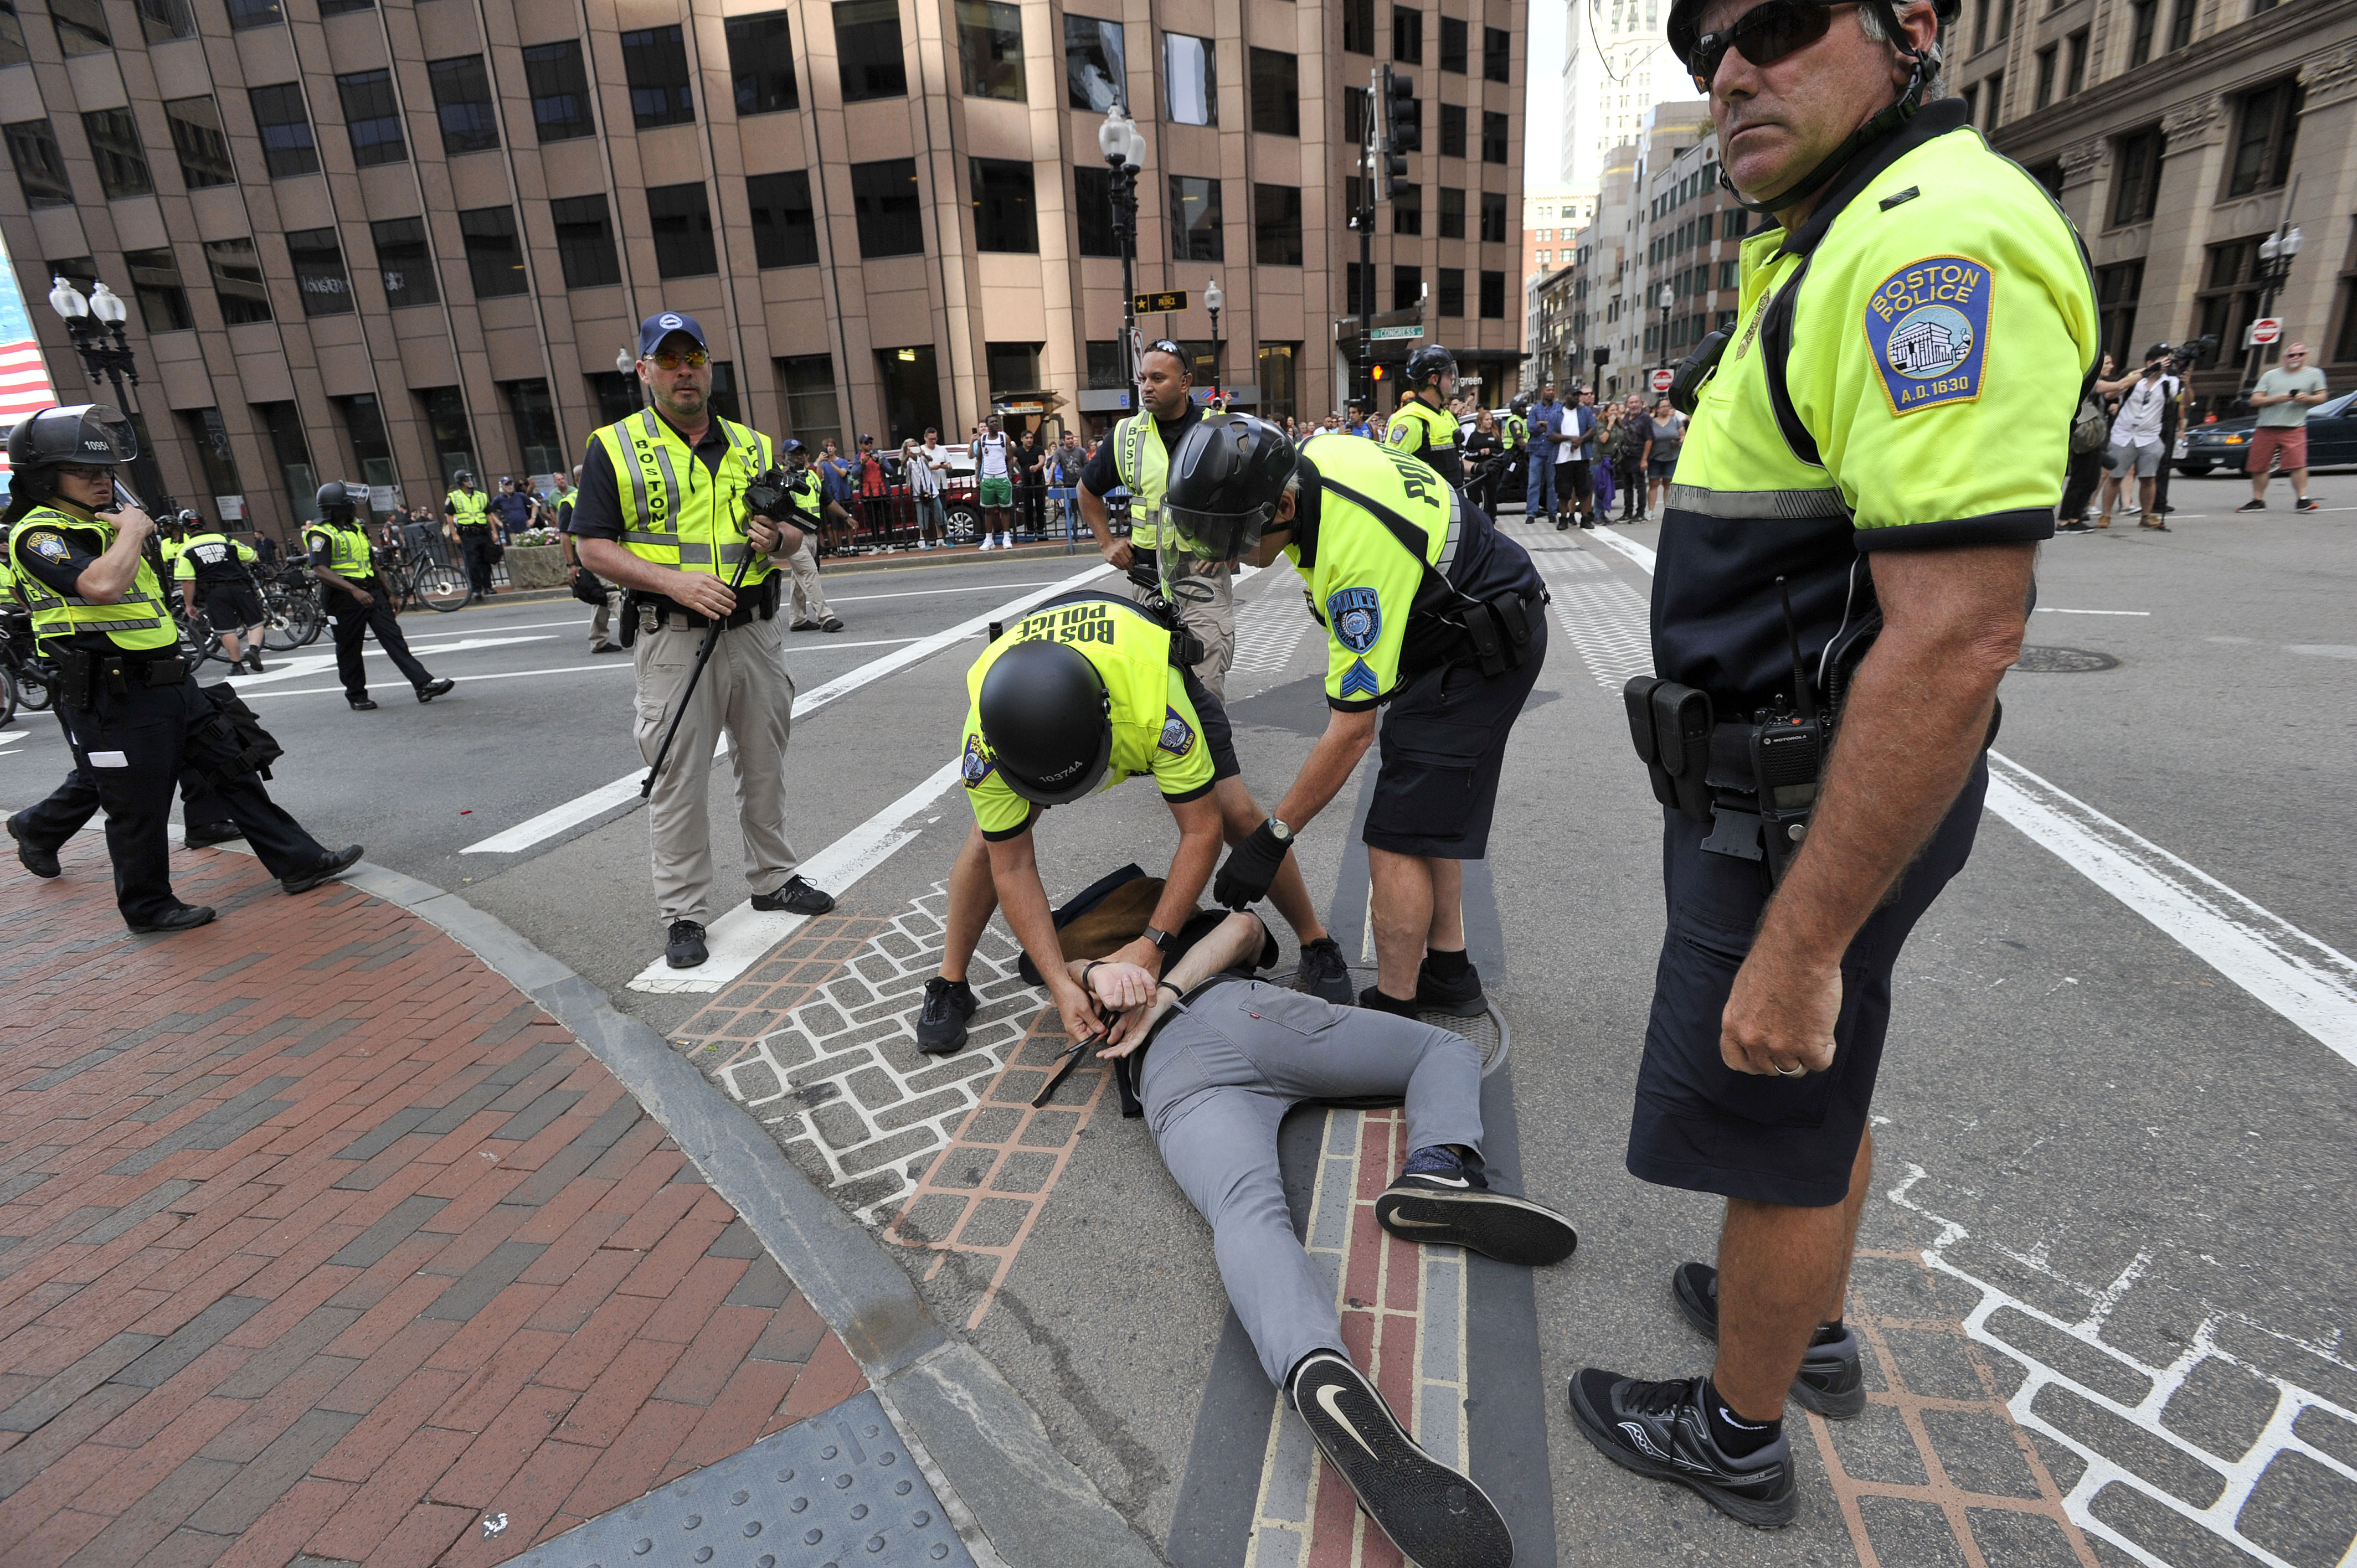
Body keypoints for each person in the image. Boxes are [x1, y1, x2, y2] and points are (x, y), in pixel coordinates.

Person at [1571, 0, 2096, 1528]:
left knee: (1780, 1100)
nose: (1730, 69)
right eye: (1698, 51)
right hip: (1785, 788)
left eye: (1777, 22)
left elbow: (1955, 636)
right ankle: (1810, 1326)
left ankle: (1735, 1433)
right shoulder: (1835, 231)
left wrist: (1800, 939)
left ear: (1910, 31)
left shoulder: (1928, 244)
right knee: (1820, 1083)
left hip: (1802, 813)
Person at [1051, 902, 1575, 1565]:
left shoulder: (1089, 982)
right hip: (1243, 1015)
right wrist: (1140, 976)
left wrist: (1115, 979)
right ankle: (1436, 1170)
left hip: (1172, 1079)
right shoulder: (1174, 931)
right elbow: (1243, 928)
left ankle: (1312, 1364)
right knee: (1442, 1048)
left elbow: (1067, 971)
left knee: (1243, 1211)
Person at [1183, 417, 1548, 1019]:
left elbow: (1351, 731)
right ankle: (1450, 974)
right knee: (1427, 812)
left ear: (1282, 505)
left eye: (1237, 537)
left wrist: (1272, 837)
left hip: (1478, 652)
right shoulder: (1315, 457)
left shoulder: (1354, 561)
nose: (1235, 559)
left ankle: (1394, 1011)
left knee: (1395, 833)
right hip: (1465, 626)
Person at [912, 574, 1355, 1056]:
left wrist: (1154, 944)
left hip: (1137, 678)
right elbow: (1013, 866)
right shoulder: (985, 744)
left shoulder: (1159, 712)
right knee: (989, 843)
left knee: (1234, 813)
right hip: (1049, 708)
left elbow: (1200, 831)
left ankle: (1316, 941)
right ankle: (950, 981)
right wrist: (1061, 984)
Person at [1, 404, 362, 934]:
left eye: (105, 473)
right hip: (113, 691)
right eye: (85, 473)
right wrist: (131, 530)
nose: (102, 482)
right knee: (138, 804)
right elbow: (101, 587)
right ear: (42, 477)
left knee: (235, 769)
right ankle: (147, 908)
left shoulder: (98, 524)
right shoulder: (40, 534)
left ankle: (299, 862)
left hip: (170, 681)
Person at [571, 312, 838, 969]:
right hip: (674, 636)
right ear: (644, 371)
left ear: (708, 364)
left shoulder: (752, 443)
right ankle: (685, 913)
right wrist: (675, 583)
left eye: (692, 357)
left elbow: (793, 532)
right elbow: (592, 546)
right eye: (668, 360)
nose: (683, 370)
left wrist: (777, 541)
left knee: (765, 766)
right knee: (677, 781)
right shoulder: (613, 445)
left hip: (754, 634)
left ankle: (773, 880)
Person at [1077, 341, 1238, 696]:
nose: (1147, 386)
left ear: (1185, 383)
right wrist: (1108, 543)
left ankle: (1208, 752)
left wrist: (1236, 544)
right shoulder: (1126, 435)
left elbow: (1263, 491)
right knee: (1153, 691)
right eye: (1143, 378)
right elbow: (1086, 490)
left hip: (1202, 578)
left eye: (1158, 378)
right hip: (1146, 579)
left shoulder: (1222, 429)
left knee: (1205, 690)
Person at [306, 483, 457, 712]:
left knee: (394, 638)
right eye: (350, 504)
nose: (355, 508)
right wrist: (354, 590)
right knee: (349, 648)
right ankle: (356, 695)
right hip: (343, 597)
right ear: (337, 508)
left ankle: (423, 684)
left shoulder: (358, 529)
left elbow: (372, 563)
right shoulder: (320, 533)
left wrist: (389, 593)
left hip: (372, 591)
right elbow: (320, 569)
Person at [2091, 347, 2175, 530]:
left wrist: (2187, 380)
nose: (2166, 364)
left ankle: (2146, 515)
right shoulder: (2134, 379)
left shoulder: (2170, 382)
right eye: (2162, 360)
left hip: (2150, 437)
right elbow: (2110, 395)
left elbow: (2183, 401)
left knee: (2148, 478)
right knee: (2115, 476)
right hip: (2124, 435)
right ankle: (2106, 515)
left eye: (2168, 360)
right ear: (2150, 363)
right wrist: (2142, 374)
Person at [172, 513, 266, 673]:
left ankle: (237, 666)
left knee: (226, 629)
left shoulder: (186, 550)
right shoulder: (227, 540)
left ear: (186, 528)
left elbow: (187, 581)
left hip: (215, 592)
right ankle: (253, 650)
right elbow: (253, 557)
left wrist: (189, 605)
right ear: (204, 524)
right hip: (240, 587)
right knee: (255, 623)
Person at [2241, 342, 2329, 513]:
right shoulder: (2271, 375)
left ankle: (2303, 499)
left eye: (2300, 354)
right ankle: (2258, 500)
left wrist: (2306, 398)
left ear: (2306, 356)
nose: (2296, 358)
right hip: (2266, 427)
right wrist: (2277, 399)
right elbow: (2255, 400)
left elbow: (2322, 397)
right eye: (2291, 355)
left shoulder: (2315, 374)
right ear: (2285, 357)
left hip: (2294, 427)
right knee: (2259, 465)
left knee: (2298, 464)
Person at [780, 439, 849, 632]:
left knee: (800, 578)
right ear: (785, 457)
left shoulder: (812, 477)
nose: (799, 457)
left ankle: (797, 619)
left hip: (812, 535)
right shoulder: (782, 480)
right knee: (810, 574)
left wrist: (847, 516)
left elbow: (827, 501)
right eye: (794, 454)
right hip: (794, 537)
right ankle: (826, 617)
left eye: (801, 453)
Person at [1382, 344, 1465, 489]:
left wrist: (1479, 467)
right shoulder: (1410, 420)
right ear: (1434, 379)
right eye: (1448, 373)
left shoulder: (1445, 415)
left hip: (1453, 501)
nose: (1453, 377)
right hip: (1430, 507)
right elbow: (1391, 471)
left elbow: (1451, 462)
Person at [2057, 352, 2113, 533]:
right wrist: (2144, 374)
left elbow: (2116, 390)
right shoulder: (2088, 379)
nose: (2111, 367)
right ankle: (2065, 521)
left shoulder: (2099, 382)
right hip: (2083, 439)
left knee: (2091, 481)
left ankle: (2076, 518)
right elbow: (2118, 385)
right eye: (2107, 363)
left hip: (2094, 439)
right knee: (2079, 481)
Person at [444, 471, 497, 601]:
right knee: (472, 563)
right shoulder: (454, 496)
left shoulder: (481, 495)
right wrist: (454, 534)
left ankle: (488, 587)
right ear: (461, 482)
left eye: (471, 479)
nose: (470, 482)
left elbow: (489, 514)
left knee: (486, 561)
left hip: (483, 532)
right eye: (467, 480)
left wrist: (494, 532)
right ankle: (477, 589)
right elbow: (449, 517)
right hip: (467, 534)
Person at [1522, 380, 1567, 523]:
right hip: (1536, 450)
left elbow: (1559, 427)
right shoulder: (1535, 409)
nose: (1551, 393)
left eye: (1553, 390)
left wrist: (1542, 424)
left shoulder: (1559, 408)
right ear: (1543, 392)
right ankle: (1531, 513)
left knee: (1553, 483)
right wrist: (1545, 426)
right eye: (1548, 390)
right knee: (1533, 483)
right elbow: (1531, 428)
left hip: (1553, 450)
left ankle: (1552, 512)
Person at [972, 415, 1016, 550]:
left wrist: (1010, 475)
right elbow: (979, 459)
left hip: (1002, 476)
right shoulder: (982, 439)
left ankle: (1007, 537)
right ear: (987, 425)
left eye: (996, 421)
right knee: (988, 510)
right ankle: (989, 539)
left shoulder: (1004, 438)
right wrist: (978, 476)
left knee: (1005, 508)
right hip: (988, 477)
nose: (995, 424)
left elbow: (1009, 458)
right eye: (992, 422)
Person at [1560, 387, 1601, 528]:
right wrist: (1571, 439)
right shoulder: (1557, 412)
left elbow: (1593, 429)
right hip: (1562, 458)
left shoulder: (1585, 412)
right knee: (1564, 491)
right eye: (1574, 395)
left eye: (1579, 395)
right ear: (1566, 396)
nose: (1577, 398)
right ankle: (1564, 519)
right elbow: (1551, 434)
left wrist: (1580, 440)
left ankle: (1585, 519)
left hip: (1582, 457)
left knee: (1584, 490)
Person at [1610, 394, 1653, 520]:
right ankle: (1628, 512)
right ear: (1627, 404)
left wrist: (1645, 459)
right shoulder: (1627, 417)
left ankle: (1640, 513)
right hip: (1625, 458)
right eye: (1631, 403)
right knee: (1627, 487)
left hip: (1638, 456)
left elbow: (1649, 439)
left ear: (1641, 403)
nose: (1634, 405)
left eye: (1636, 402)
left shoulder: (1645, 418)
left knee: (1640, 486)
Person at [909, 429, 951, 549]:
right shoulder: (913, 458)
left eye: (935, 439)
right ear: (925, 438)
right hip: (921, 491)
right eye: (931, 439)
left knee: (940, 514)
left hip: (937, 488)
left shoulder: (940, 450)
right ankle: (924, 539)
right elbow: (908, 466)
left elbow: (949, 466)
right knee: (924, 516)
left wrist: (942, 466)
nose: (933, 441)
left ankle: (942, 538)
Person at [1646, 396, 1687, 516]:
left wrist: (1679, 441)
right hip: (1655, 457)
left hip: (1672, 456)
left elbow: (1684, 434)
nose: (1666, 408)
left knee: (1668, 485)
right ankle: (1651, 511)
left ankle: (1667, 510)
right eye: (1663, 406)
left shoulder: (1675, 421)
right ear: (1657, 409)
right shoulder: (1652, 422)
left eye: (1667, 406)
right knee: (1653, 484)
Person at [1463, 406, 1506, 516]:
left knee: (1491, 496)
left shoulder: (1495, 434)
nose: (1490, 422)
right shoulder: (1474, 436)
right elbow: (1468, 453)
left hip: (1492, 470)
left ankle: (1492, 517)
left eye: (1491, 419)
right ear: (1480, 422)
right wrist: (1479, 453)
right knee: (1475, 495)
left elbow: (1501, 452)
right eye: (1487, 420)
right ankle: (1475, 516)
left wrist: (1490, 451)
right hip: (1478, 469)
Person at [855, 435, 893, 547]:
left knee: (887, 520)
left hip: (882, 492)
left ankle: (889, 544)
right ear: (861, 445)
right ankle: (877, 545)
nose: (869, 445)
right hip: (868, 493)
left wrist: (881, 463)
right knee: (873, 521)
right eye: (867, 443)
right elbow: (854, 474)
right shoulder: (858, 457)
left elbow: (891, 471)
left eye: (871, 443)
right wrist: (863, 463)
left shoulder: (879, 454)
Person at [488, 476, 536, 544]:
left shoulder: (520, 496)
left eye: (511, 484)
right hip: (511, 531)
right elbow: (491, 512)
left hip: (525, 528)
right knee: (515, 548)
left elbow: (534, 505)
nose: (509, 486)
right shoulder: (499, 499)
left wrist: (533, 519)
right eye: (507, 485)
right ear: (502, 487)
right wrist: (499, 522)